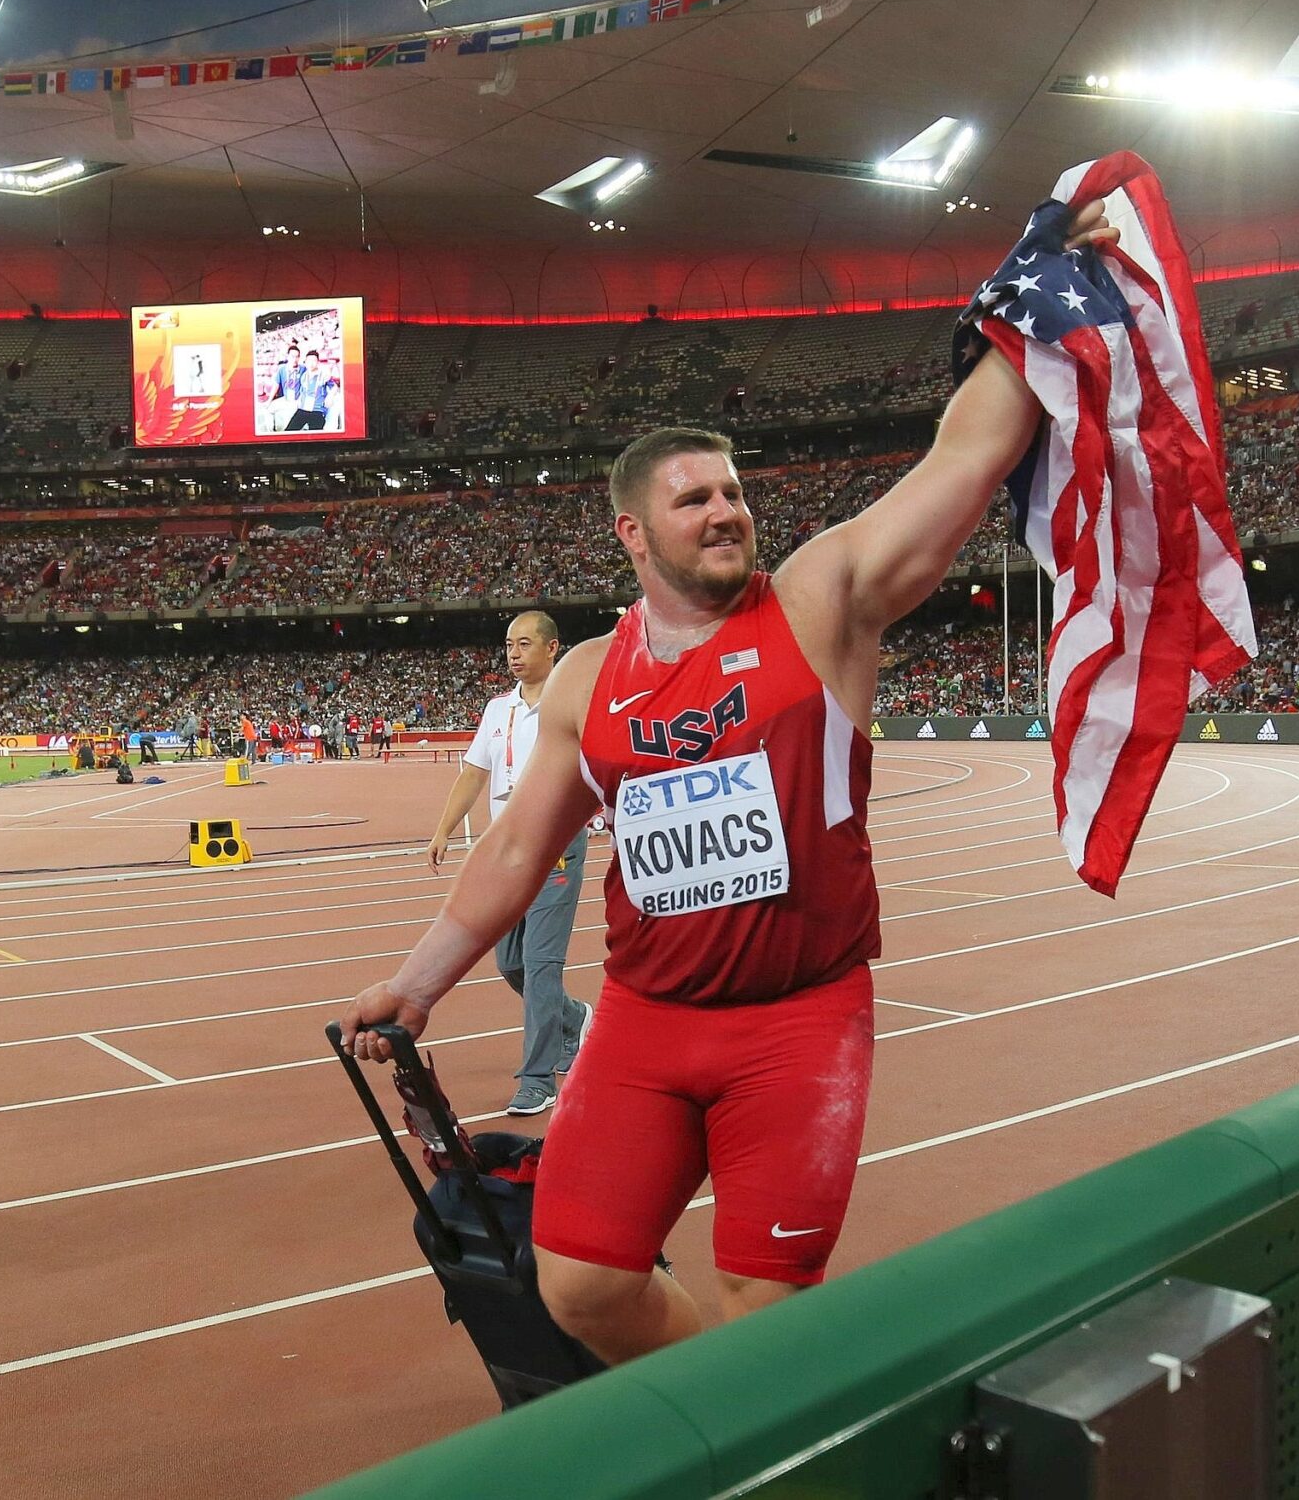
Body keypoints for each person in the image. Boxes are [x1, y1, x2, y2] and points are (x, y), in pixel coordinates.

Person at [337, 196, 1118, 1368]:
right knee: (584, 1286)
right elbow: (515, 848)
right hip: (647, 1023)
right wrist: (415, 986)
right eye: (693, 498)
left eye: (734, 493)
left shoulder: (818, 604)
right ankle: (724, 1408)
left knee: (770, 1308)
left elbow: (964, 455)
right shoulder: (586, 679)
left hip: (798, 1021)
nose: (725, 512)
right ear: (632, 534)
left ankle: (748, 1422)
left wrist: (1044, 296)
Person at [427, 611, 590, 1115]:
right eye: (508, 645)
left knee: (542, 966)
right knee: (509, 962)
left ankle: (538, 1079)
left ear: (552, 648)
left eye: (523, 644)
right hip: (506, 849)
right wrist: (444, 828)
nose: (514, 654)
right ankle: (574, 1019)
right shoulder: (498, 710)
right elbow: (474, 774)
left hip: (557, 843)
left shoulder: (573, 706)